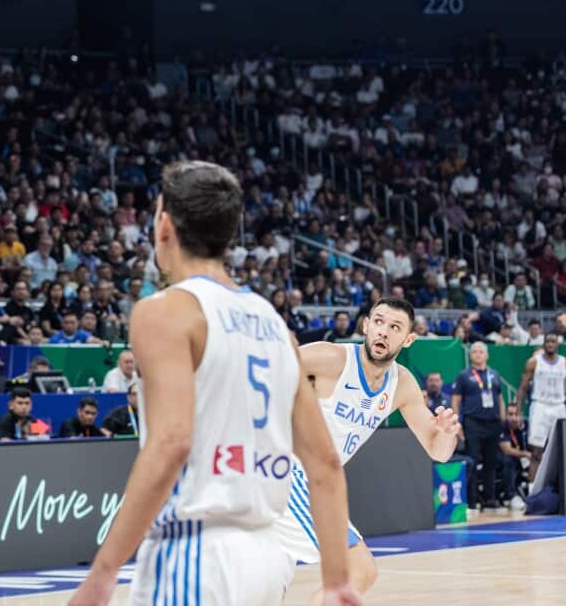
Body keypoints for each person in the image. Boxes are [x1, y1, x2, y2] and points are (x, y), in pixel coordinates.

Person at [68, 162, 361, 606]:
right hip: (266, 555)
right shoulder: (273, 322)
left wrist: (104, 573)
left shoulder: (163, 311)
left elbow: (171, 442)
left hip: (196, 553)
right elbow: (324, 463)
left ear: (164, 225)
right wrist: (338, 580)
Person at [275, 297, 461, 603]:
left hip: (313, 482)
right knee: (359, 569)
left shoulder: (401, 383)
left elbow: (438, 452)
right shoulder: (332, 357)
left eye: (394, 327)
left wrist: (445, 434)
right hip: (288, 472)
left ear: (408, 339)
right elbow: (268, 363)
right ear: (366, 325)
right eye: (378, 322)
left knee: (264, 586)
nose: (383, 331)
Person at [452, 341, 507, 509]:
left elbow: (499, 399)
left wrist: (503, 420)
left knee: (491, 463)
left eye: (481, 352)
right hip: (473, 424)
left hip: (493, 424)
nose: (477, 354)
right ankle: (472, 501)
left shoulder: (495, 375)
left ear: (487, 355)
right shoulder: (464, 375)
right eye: (474, 351)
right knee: (473, 462)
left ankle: (490, 500)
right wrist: (457, 424)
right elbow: (456, 400)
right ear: (470, 355)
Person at [514, 332, 564, 480]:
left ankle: (560, 490)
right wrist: (518, 411)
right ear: (543, 343)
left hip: (559, 406)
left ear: (558, 344)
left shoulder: (564, 362)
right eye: (547, 341)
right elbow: (522, 388)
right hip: (540, 406)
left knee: (562, 452)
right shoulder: (533, 362)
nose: (550, 344)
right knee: (536, 452)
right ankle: (532, 494)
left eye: (553, 341)